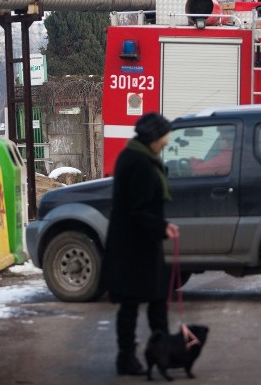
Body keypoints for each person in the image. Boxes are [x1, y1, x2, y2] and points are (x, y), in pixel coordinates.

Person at [102, 112, 180, 376]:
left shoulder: (136, 156)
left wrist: (159, 227)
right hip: (134, 247)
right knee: (136, 303)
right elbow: (139, 209)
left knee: (150, 302)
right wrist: (163, 226)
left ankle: (158, 353)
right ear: (153, 138)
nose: (167, 142)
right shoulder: (140, 163)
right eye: (164, 137)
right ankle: (129, 358)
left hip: (139, 245)